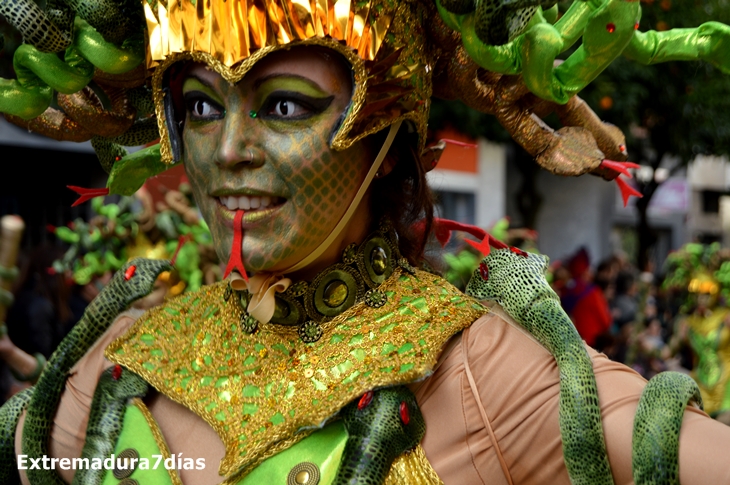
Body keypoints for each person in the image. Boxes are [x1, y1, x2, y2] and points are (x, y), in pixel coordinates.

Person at [2, 1, 730, 485]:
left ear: (384, 133)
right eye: (198, 106)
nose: (227, 151)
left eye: (283, 104)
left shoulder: (476, 368)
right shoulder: (129, 357)